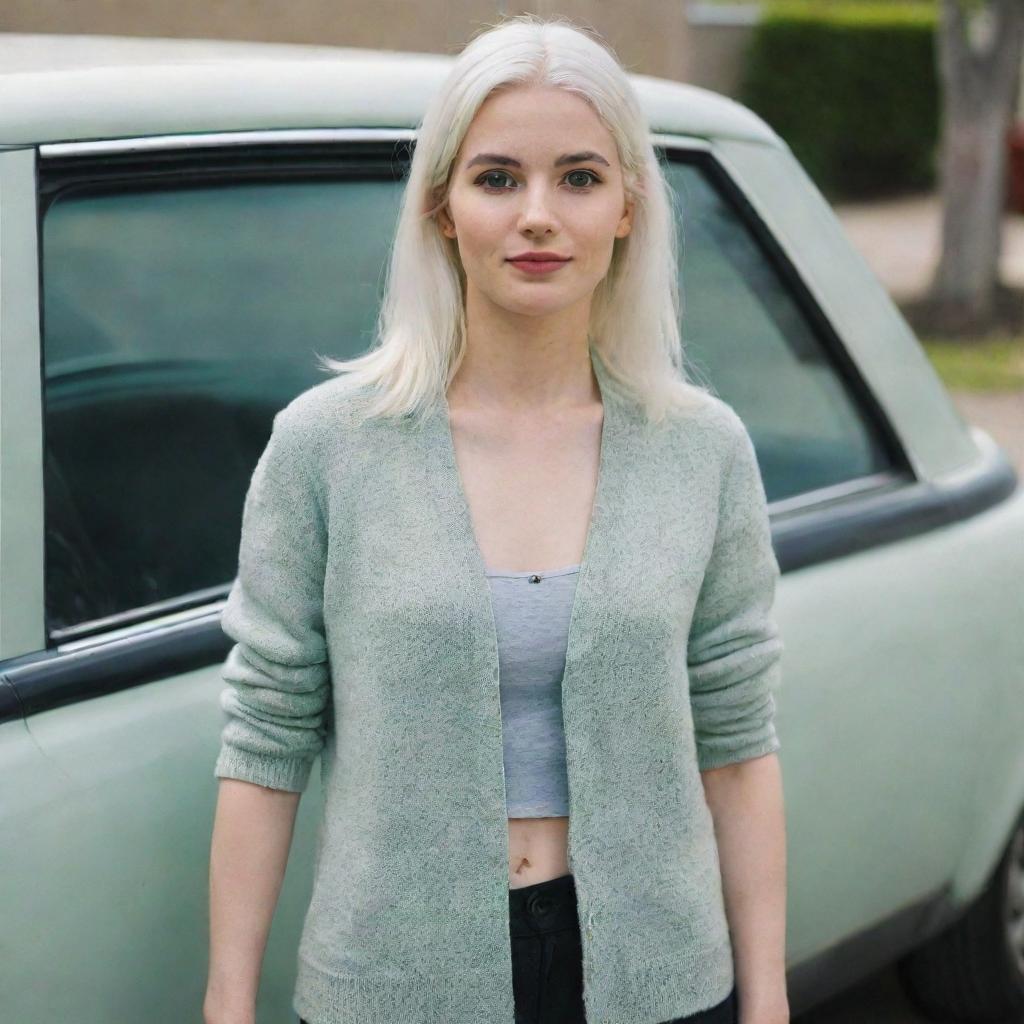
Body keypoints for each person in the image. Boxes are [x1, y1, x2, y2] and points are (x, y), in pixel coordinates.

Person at [204, 13, 788, 1024]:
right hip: (392, 981)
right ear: (441, 208)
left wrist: (768, 998)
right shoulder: (327, 446)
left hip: (656, 979)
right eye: (496, 178)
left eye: (577, 177)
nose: (537, 216)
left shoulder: (703, 450)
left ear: (625, 209)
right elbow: (265, 739)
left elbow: (737, 744)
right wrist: (227, 1004)